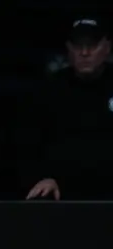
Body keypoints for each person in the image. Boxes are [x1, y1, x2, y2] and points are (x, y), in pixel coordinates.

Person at [24, 16, 113, 200]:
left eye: (92, 45)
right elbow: (29, 142)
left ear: (107, 48)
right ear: (68, 50)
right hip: (61, 193)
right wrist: (42, 177)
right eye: (78, 46)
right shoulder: (49, 90)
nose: (85, 52)